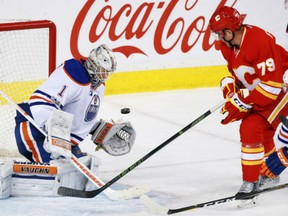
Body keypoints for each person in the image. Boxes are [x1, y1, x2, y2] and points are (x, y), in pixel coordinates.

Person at [5, 44, 136, 198]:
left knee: (80, 173)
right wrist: (52, 129)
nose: (104, 75)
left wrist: (98, 129)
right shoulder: (75, 73)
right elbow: (40, 101)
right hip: (34, 129)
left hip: (62, 141)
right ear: (93, 64)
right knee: (56, 178)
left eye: (107, 72)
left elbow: (79, 116)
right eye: (102, 70)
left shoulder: (98, 86)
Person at [208, 6, 288, 206]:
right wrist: (231, 88)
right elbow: (244, 77)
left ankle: (252, 182)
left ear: (228, 32)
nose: (217, 37)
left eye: (219, 33)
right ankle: (261, 177)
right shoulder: (229, 46)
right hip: (267, 92)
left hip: (282, 89)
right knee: (255, 127)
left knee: (252, 126)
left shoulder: (257, 40)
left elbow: (271, 87)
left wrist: (243, 101)